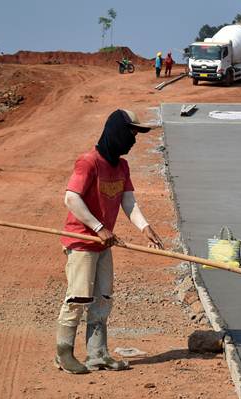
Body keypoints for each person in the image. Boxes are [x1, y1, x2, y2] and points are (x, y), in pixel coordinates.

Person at [55, 109, 164, 374]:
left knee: (103, 297)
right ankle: (64, 354)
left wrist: (144, 227)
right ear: (116, 132)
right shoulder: (88, 162)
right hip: (81, 242)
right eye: (131, 134)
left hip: (104, 243)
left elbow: (128, 201)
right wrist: (99, 227)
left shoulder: (122, 166)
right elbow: (71, 198)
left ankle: (97, 354)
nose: (133, 141)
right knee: (79, 297)